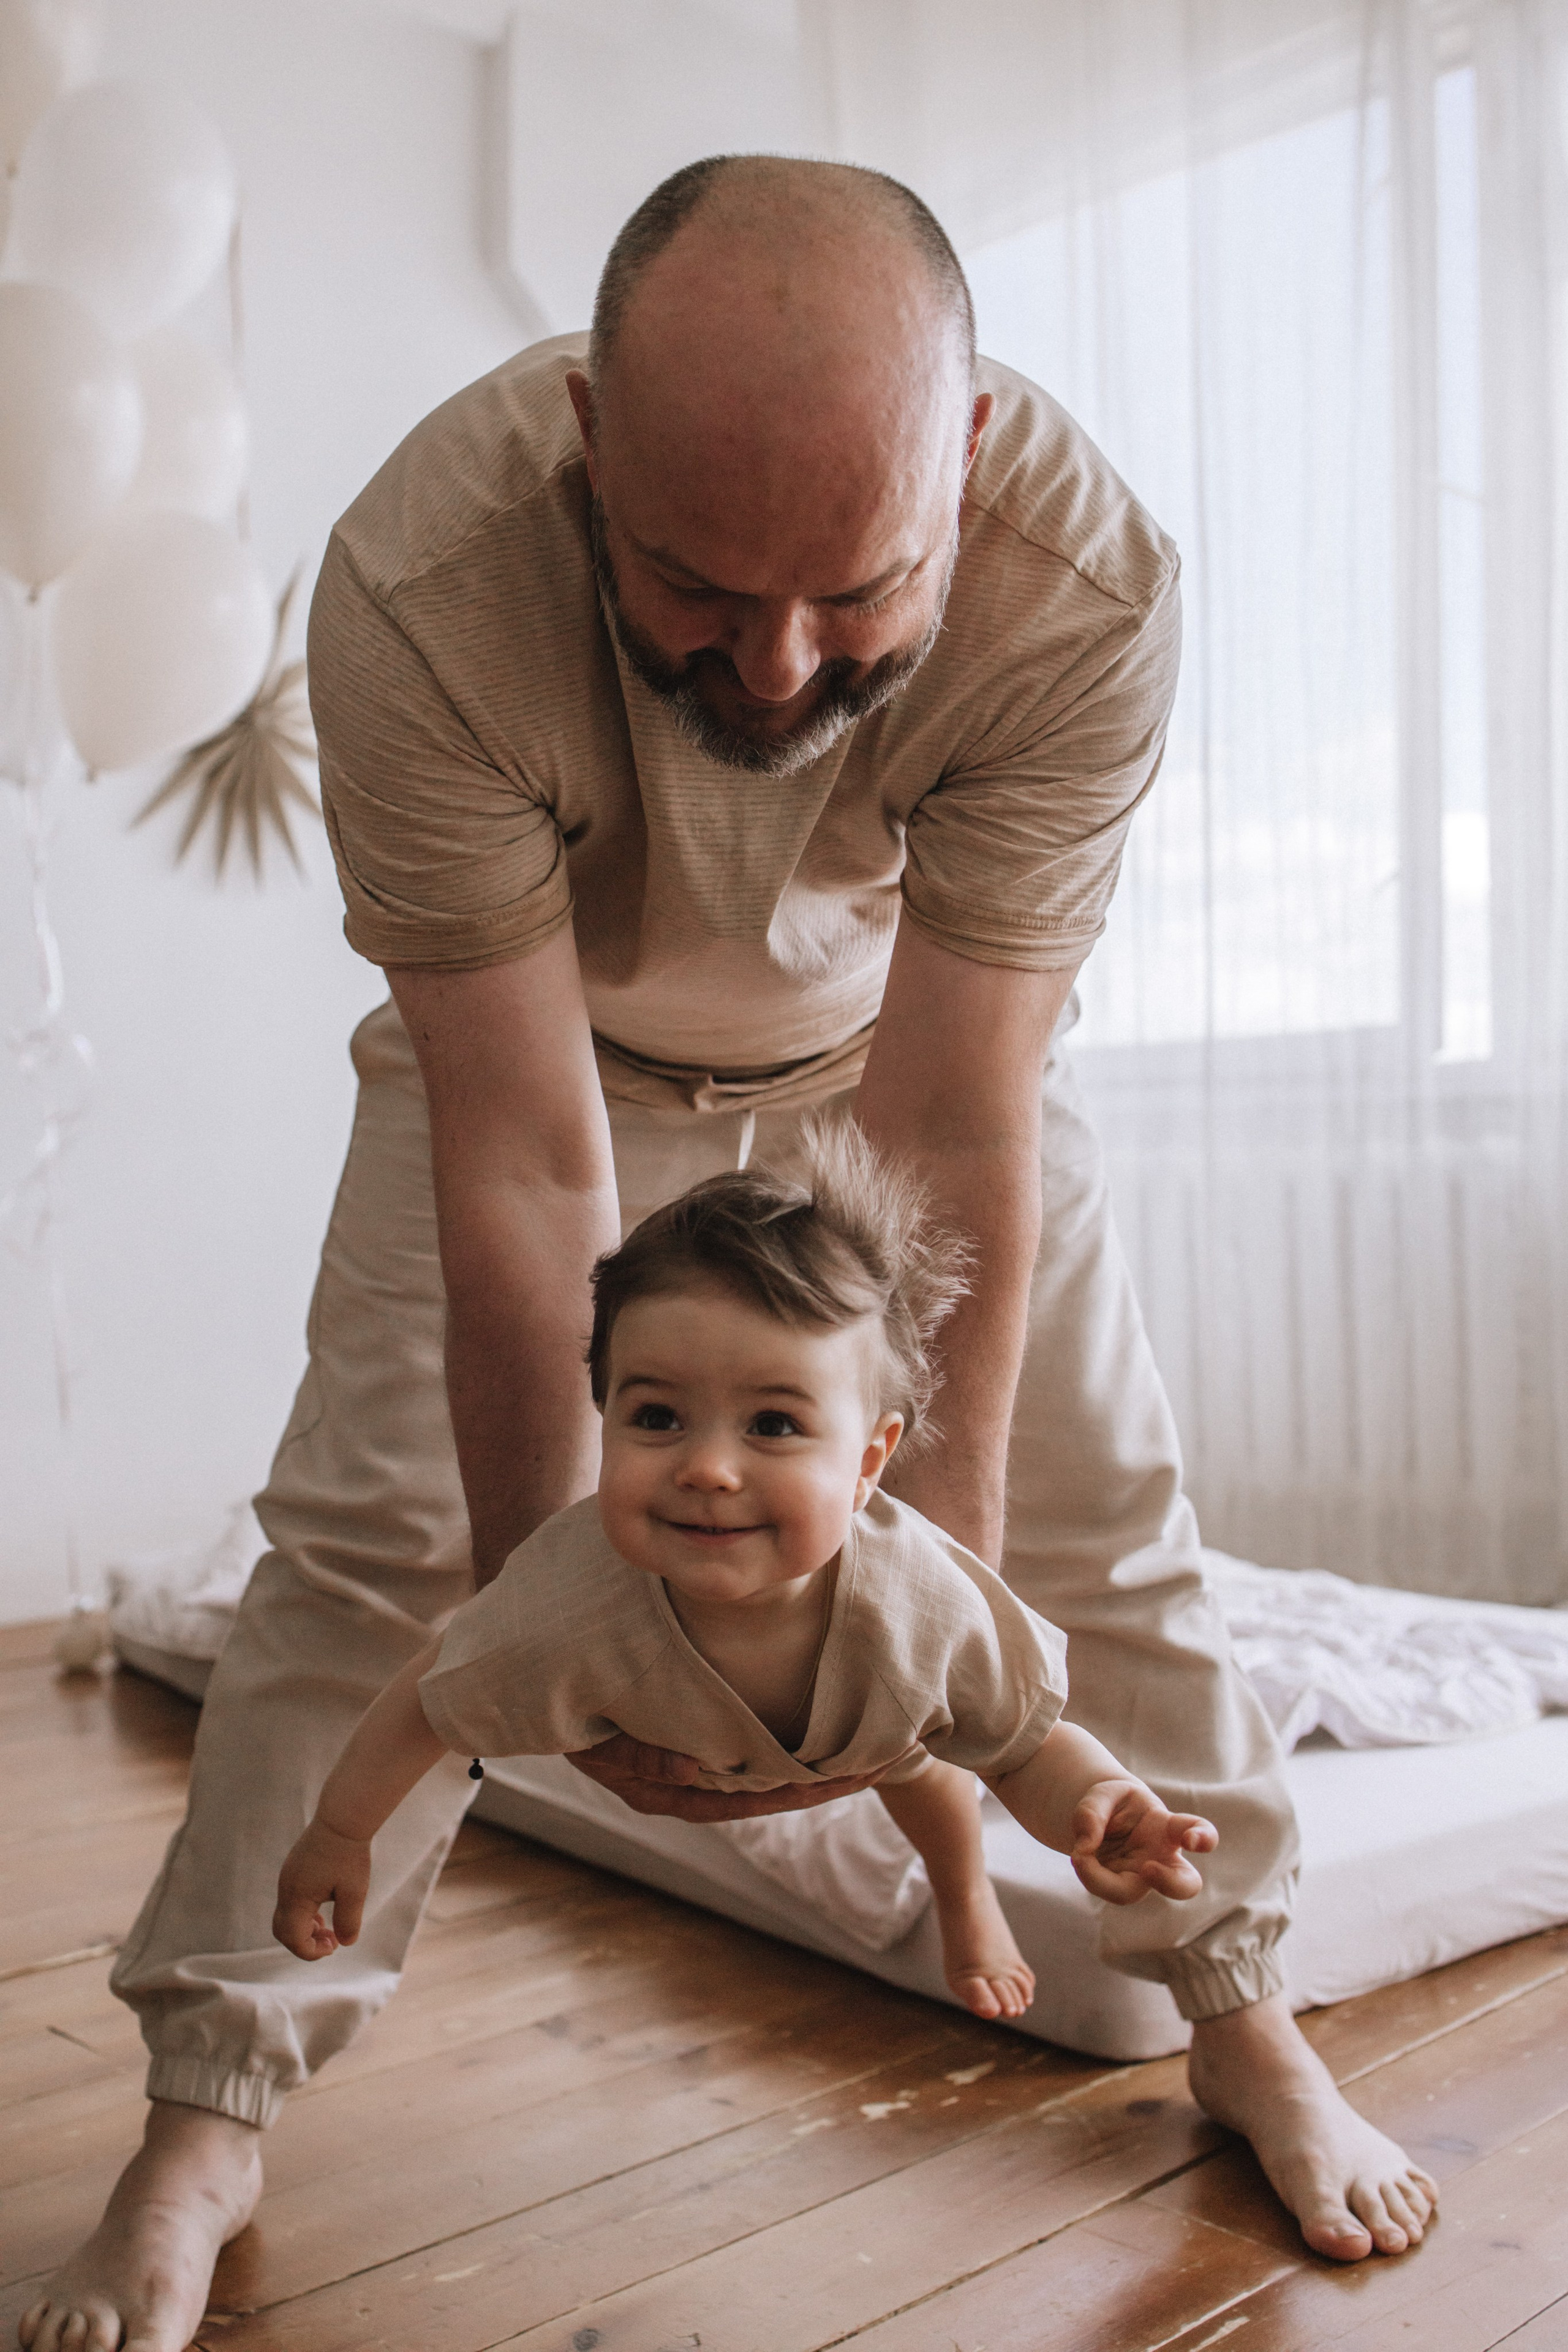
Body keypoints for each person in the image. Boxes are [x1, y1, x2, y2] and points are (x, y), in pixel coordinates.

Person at [22, 151, 1436, 2352]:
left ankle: (1240, 2011)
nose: (778, 668)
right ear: (590, 446)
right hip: (535, 1055)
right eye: (693, 586)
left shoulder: (1085, 589)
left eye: (858, 596)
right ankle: (212, 2100)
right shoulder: (424, 579)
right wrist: (557, 1601)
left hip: (899, 1059)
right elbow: (522, 1161)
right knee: (364, 1558)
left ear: (961, 465)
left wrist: (918, 1637)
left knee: (1102, 1509)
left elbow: (959, 1125)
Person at [272, 1140, 1221, 2020]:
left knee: (927, 1772)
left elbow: (1022, 1745)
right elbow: (429, 1703)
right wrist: (339, 1832)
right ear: (601, 1414)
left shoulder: (921, 1611)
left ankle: (964, 1898)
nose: (708, 1469)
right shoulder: (566, 1605)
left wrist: (1096, 1804)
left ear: (869, 1463)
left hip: (877, 1721)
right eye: (656, 1417)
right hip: (682, 1721)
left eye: (772, 1425)